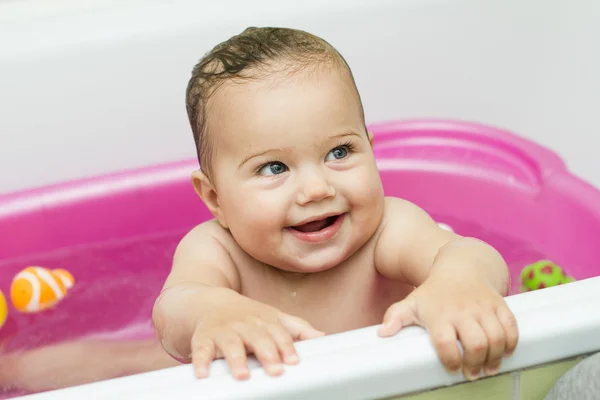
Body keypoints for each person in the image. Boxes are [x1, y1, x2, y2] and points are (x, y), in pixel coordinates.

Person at [152, 26, 519, 382]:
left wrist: (457, 282)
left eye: (339, 152)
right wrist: (215, 311)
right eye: (274, 167)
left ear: (371, 151)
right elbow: (174, 309)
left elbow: (472, 254)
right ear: (216, 199)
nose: (316, 189)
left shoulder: (386, 230)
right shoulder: (217, 249)